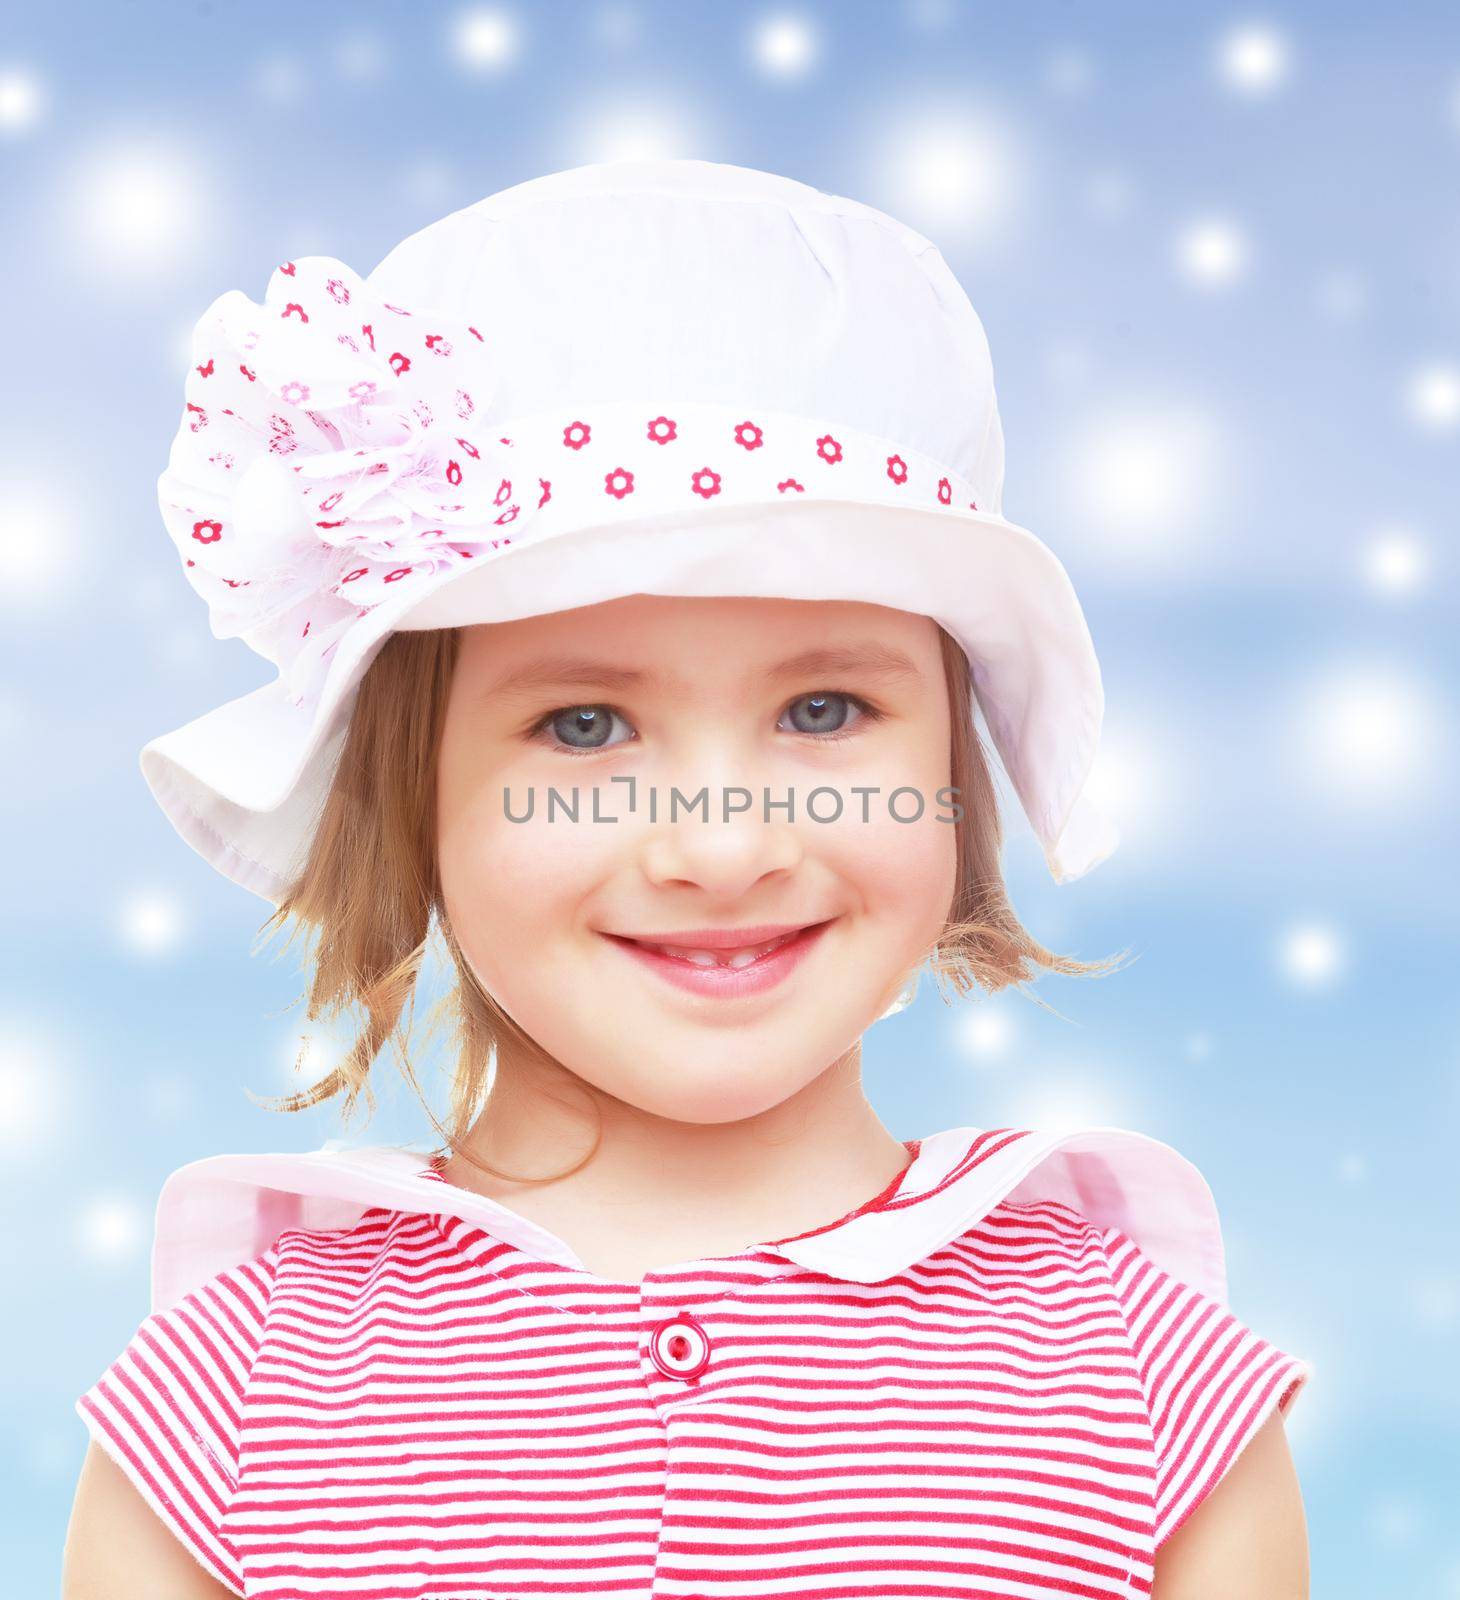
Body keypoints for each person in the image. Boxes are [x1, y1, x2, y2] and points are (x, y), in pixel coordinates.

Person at [62, 158, 1311, 1599]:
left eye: (828, 711)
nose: (722, 846)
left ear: (960, 776)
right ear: (413, 796)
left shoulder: (1149, 1385)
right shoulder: (229, 1409)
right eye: (584, 725)